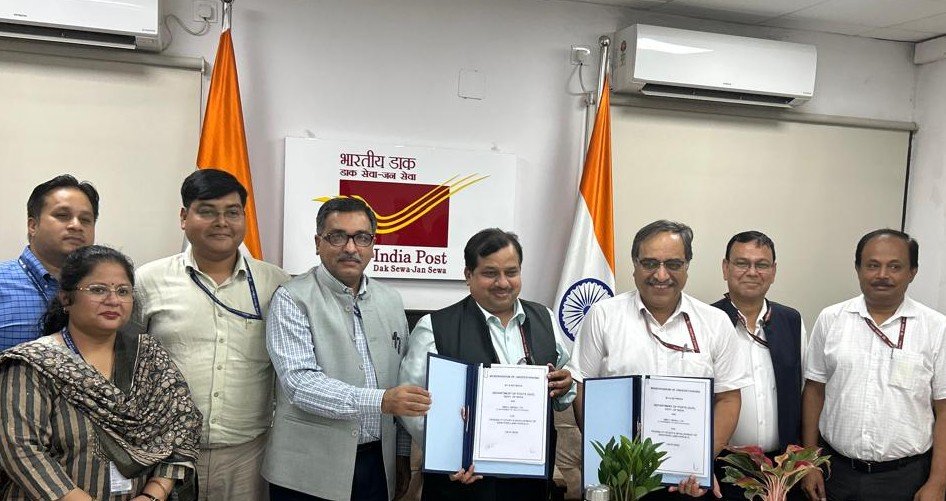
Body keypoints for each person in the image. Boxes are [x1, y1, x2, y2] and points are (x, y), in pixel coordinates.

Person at [130, 169, 290, 501]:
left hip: (248, 456)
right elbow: (125, 362)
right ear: (183, 217)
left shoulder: (276, 284)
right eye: (207, 211)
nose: (222, 222)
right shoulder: (147, 280)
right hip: (164, 453)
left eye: (232, 212)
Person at [0, 245, 201, 501]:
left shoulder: (149, 357)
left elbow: (181, 428)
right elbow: (20, 449)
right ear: (66, 298)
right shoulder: (33, 364)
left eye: (123, 291)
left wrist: (153, 495)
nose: (113, 300)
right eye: (98, 289)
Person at [263, 196, 431, 501]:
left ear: (373, 244)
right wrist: (381, 401)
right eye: (337, 236)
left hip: (378, 465)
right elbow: (299, 383)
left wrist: (402, 452)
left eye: (362, 238)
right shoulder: (292, 298)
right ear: (318, 243)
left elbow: (403, 381)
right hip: (307, 470)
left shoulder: (391, 300)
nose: (351, 248)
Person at [569, 220, 751, 499]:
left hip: (688, 483)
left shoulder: (715, 322)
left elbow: (728, 398)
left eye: (673, 264)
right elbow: (583, 388)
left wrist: (701, 461)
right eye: (650, 263)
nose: (661, 274)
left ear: (687, 266)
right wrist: (612, 460)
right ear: (635, 265)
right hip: (620, 483)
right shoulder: (603, 316)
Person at [398, 228, 576, 501]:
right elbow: (411, 405)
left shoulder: (545, 318)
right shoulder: (434, 327)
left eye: (511, 272)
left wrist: (564, 385)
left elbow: (563, 386)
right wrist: (449, 457)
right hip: (462, 481)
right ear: (468, 275)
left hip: (529, 482)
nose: (502, 283)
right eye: (490, 273)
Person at [801, 229, 946, 501]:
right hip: (836, 473)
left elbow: (944, 408)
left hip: (906, 479)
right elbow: (814, 391)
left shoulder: (937, 328)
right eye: (872, 265)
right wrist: (808, 462)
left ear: (913, 272)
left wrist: (938, 481)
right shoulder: (831, 318)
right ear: (858, 269)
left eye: (895, 266)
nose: (882, 274)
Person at [711, 231, 806, 501]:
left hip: (782, 469)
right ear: (725, 268)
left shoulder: (791, 320)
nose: (752, 272)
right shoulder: (707, 321)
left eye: (761, 264)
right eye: (742, 263)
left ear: (773, 271)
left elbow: (801, 390)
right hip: (723, 467)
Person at [0, 174, 99, 350]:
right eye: (62, 215)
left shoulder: (104, 290)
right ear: (33, 226)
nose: (76, 225)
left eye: (85, 219)